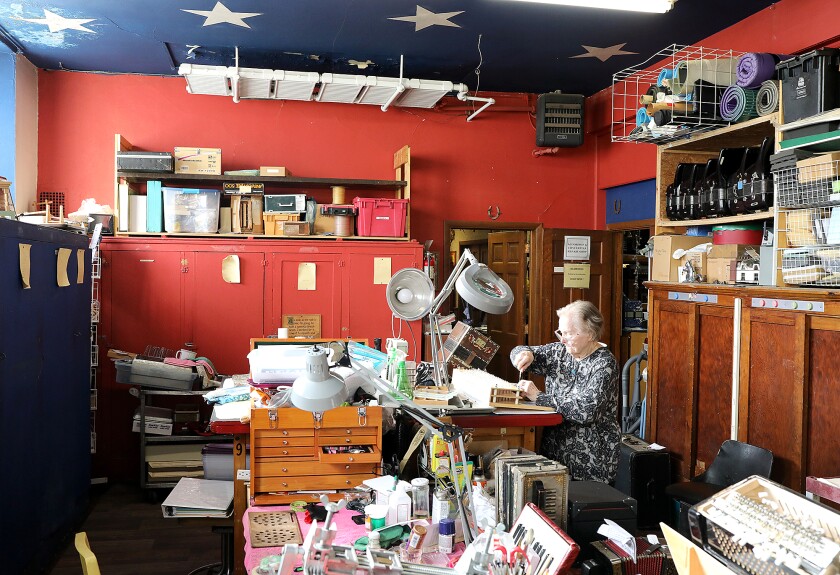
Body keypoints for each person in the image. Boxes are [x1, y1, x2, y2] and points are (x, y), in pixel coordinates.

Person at [510, 300, 620, 483]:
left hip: (591, 458)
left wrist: (539, 397)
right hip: (555, 450)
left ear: (590, 334)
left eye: (568, 334)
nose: (562, 339)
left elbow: (587, 411)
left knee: (580, 508)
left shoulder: (604, 364)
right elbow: (518, 350)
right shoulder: (559, 352)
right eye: (560, 332)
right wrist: (524, 354)